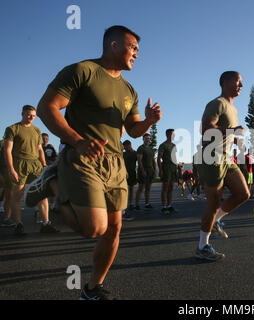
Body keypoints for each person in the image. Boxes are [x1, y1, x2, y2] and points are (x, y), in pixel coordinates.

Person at [29, 25, 162, 300]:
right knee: (93, 228)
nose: (137, 54)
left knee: (113, 229)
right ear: (113, 44)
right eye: (133, 47)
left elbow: (133, 129)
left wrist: (148, 120)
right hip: (82, 157)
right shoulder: (82, 71)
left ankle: (91, 290)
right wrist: (77, 140)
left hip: (115, 165)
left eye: (138, 50)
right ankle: (52, 183)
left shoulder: (129, 90)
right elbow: (47, 107)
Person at [196, 71, 250, 261]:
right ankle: (202, 246)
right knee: (213, 202)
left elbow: (225, 133)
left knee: (243, 193)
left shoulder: (233, 109)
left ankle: (217, 219)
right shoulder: (217, 103)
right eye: (238, 81)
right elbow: (206, 128)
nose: (241, 86)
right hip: (212, 157)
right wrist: (232, 131)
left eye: (242, 82)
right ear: (225, 82)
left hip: (227, 158)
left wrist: (235, 140)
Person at [4, 105, 59, 235]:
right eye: (29, 115)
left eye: (33, 116)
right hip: (19, 164)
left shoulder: (36, 130)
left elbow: (40, 149)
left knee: (42, 194)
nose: (31, 117)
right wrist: (11, 169)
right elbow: (7, 151)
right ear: (22, 113)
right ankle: (18, 225)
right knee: (17, 195)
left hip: (35, 165)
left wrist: (44, 164)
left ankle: (46, 224)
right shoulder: (12, 129)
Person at [158, 129, 178, 214]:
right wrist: (160, 170)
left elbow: (174, 157)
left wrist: (177, 166)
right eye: (173, 134)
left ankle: (169, 206)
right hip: (166, 167)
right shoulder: (163, 145)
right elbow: (159, 158)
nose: (174, 136)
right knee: (165, 188)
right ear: (168, 135)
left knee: (171, 188)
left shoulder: (174, 145)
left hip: (173, 168)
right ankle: (164, 207)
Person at [135, 133, 156, 211]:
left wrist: (155, 170)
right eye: (146, 138)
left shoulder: (151, 149)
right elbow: (139, 161)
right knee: (141, 188)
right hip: (143, 170)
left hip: (151, 170)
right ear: (143, 139)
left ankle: (147, 204)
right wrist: (143, 170)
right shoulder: (140, 148)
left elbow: (153, 160)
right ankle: (136, 205)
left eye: (149, 138)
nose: (148, 140)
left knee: (148, 188)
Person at [122, 140, 137, 221]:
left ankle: (131, 203)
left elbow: (140, 161)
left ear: (129, 145)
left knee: (131, 189)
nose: (124, 148)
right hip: (124, 173)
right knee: (124, 190)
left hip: (132, 173)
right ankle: (123, 206)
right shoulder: (123, 154)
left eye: (125, 147)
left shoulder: (135, 153)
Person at [0, 140, 14, 227]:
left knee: (10, 196)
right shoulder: (2, 143)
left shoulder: (16, 143)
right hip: (4, 171)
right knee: (8, 196)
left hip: (11, 171)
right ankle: (6, 219)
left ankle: (7, 218)